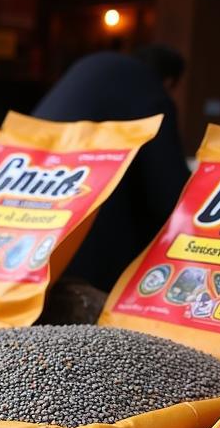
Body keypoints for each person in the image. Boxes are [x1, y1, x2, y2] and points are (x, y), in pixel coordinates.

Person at [32, 45, 189, 292]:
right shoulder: (151, 91)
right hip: (83, 241)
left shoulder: (95, 65)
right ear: (169, 81)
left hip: (30, 171)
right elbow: (168, 189)